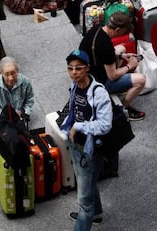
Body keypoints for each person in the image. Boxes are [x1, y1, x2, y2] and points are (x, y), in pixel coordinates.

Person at [60, 49, 112, 230]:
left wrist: (79, 127)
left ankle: (88, 213)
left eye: (78, 68)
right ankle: (96, 214)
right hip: (76, 144)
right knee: (88, 181)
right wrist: (66, 126)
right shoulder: (75, 84)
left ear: (87, 68)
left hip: (90, 150)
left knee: (84, 201)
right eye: (70, 68)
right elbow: (74, 109)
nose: (73, 72)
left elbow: (105, 125)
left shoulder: (99, 93)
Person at [79, 12, 146, 120]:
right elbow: (112, 76)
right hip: (97, 84)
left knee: (121, 49)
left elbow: (100, 51)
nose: (122, 35)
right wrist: (129, 66)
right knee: (141, 79)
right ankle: (123, 109)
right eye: (123, 33)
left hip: (86, 73)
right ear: (118, 30)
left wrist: (121, 55)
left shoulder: (98, 28)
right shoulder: (106, 46)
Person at [0, 56, 34, 129]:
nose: (11, 78)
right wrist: (5, 116)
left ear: (17, 71)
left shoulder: (25, 82)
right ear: (1, 73)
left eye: (13, 73)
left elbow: (29, 101)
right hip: (2, 118)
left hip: (20, 116)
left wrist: (24, 112)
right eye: (6, 74)